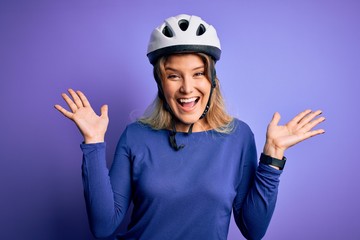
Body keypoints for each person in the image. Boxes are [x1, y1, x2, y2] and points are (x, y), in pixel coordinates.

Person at [54, 14, 325, 240]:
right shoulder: (135, 136)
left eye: (198, 74)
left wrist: (273, 156)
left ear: (213, 81)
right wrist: (93, 142)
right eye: (173, 76)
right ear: (161, 84)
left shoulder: (238, 137)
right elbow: (103, 227)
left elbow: (253, 230)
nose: (187, 88)